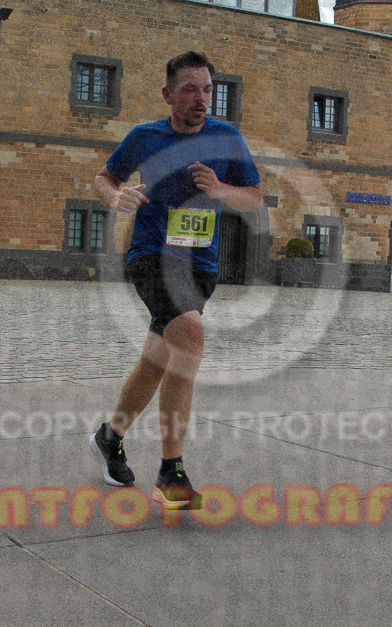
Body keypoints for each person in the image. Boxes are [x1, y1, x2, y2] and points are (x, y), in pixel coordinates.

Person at [91, 51, 263, 509]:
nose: (201, 98)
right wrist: (116, 195)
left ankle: (111, 437)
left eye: (207, 89)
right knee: (189, 334)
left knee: (158, 361)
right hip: (150, 256)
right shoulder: (144, 137)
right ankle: (172, 472)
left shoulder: (227, 138)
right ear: (169, 94)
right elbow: (103, 177)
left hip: (200, 268)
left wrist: (220, 189)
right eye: (190, 89)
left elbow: (254, 199)